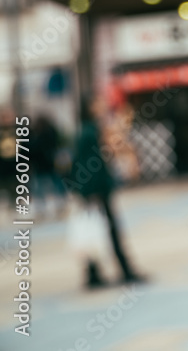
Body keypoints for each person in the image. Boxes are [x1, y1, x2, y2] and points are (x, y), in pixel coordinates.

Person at [69, 94, 145, 288]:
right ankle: (123, 270)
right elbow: (89, 164)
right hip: (97, 190)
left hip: (93, 190)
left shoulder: (88, 130)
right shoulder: (90, 132)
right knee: (108, 229)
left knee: (100, 229)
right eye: (97, 103)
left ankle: (94, 273)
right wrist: (92, 191)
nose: (102, 105)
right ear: (90, 107)